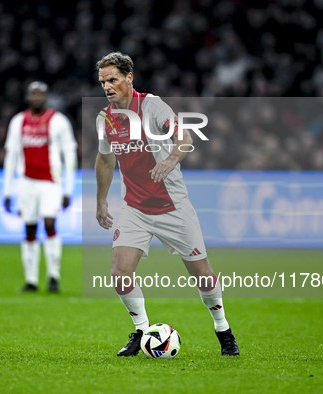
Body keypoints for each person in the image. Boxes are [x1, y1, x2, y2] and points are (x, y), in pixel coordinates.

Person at [94, 52, 239, 356]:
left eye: (113, 80)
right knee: (120, 272)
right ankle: (142, 331)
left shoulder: (152, 106)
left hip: (173, 207)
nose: (107, 86)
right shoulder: (105, 118)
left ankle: (223, 329)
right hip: (134, 208)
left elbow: (184, 137)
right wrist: (101, 200)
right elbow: (105, 160)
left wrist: (172, 159)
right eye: (103, 82)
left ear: (129, 78)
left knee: (202, 273)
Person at [3, 81, 77, 293]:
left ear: (46, 98)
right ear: (27, 97)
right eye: (33, 94)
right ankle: (31, 280)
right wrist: (7, 190)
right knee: (29, 228)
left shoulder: (58, 121)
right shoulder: (18, 122)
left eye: (40, 94)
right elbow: (11, 156)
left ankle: (53, 276)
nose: (36, 97)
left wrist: (68, 189)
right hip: (26, 182)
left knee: (50, 223)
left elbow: (70, 154)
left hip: (50, 182)